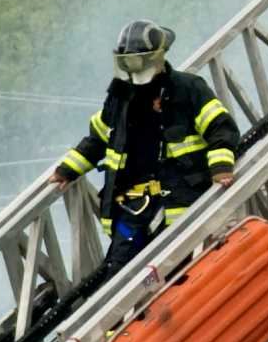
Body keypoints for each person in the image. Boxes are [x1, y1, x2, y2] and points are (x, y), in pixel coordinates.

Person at [50, 20, 240, 275]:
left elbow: (221, 128)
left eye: (138, 60)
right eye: (127, 62)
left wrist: (221, 168)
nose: (133, 67)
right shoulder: (120, 97)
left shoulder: (188, 89)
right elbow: (98, 139)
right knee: (119, 273)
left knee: (182, 272)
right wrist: (67, 170)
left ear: (157, 56)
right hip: (132, 210)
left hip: (181, 207)